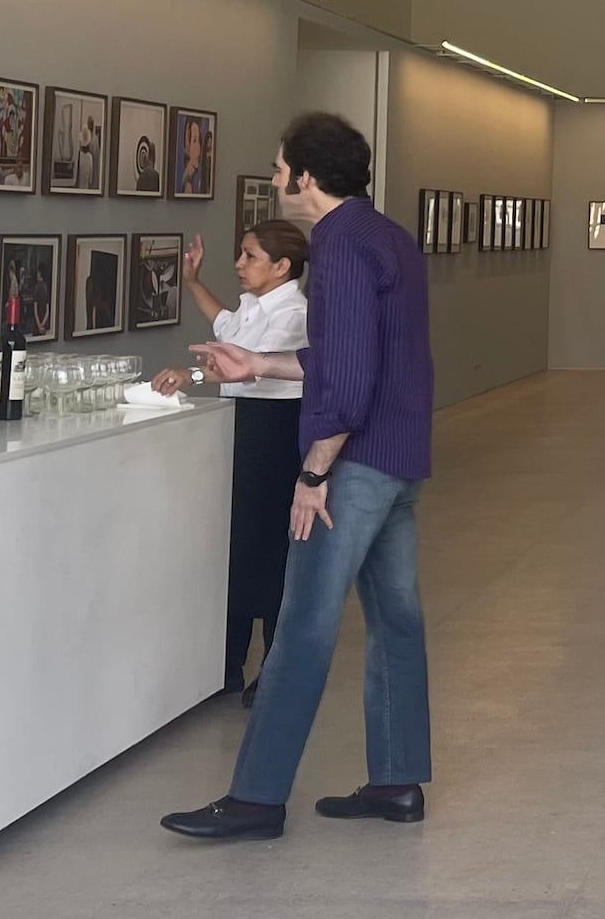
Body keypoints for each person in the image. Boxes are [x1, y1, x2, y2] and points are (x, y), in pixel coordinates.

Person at [163, 114, 433, 840]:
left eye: (280, 169)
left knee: (304, 625)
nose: (277, 179)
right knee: (397, 622)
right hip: (401, 457)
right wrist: (259, 364)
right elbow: (356, 356)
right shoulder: (387, 237)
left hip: (352, 463)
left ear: (306, 178)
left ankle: (256, 797)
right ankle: (396, 781)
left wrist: (314, 472)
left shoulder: (339, 247)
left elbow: (346, 379)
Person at [149, 220, 310, 700]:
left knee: (267, 551)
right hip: (242, 426)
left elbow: (247, 363)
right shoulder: (256, 305)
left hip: (274, 433)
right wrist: (194, 281)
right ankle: (227, 664)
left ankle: (273, 670)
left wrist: (190, 375)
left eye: (250, 256)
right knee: (235, 544)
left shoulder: (293, 313)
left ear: (282, 266)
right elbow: (223, 323)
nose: (239, 264)